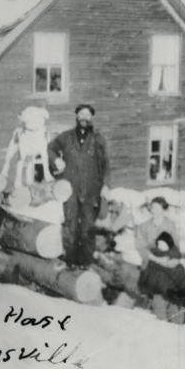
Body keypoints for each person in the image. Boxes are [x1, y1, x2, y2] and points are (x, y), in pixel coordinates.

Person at [48, 104, 111, 267]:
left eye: (88, 115)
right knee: (71, 225)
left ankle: (86, 262)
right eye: (81, 114)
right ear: (76, 117)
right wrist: (56, 160)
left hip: (91, 191)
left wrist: (106, 185)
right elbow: (51, 148)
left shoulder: (98, 139)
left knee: (88, 228)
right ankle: (71, 261)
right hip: (70, 190)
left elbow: (106, 164)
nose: (84, 117)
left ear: (91, 118)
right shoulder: (66, 137)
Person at [137, 231, 185, 323]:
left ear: (169, 245)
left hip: (174, 296)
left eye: (163, 244)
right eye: (159, 243)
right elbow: (145, 275)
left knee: (176, 321)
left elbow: (182, 282)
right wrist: (144, 290)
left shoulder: (176, 264)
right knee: (160, 321)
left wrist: (182, 296)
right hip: (157, 294)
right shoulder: (151, 260)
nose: (161, 246)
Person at [135, 196, 180, 267]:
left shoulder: (170, 225)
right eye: (152, 208)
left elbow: (175, 245)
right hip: (150, 259)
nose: (153, 211)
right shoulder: (143, 226)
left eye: (157, 208)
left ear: (164, 210)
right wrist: (156, 259)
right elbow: (141, 247)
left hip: (167, 258)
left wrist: (168, 258)